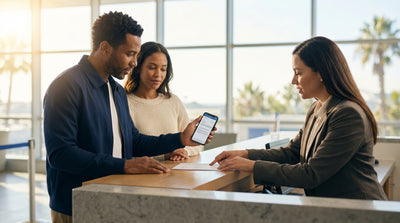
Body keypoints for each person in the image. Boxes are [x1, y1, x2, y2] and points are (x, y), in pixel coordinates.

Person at [43, 11, 214, 222]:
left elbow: (134, 140)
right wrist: (125, 165)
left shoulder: (115, 90)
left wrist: (180, 139)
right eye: (129, 54)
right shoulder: (66, 86)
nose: (134, 62)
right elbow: (61, 155)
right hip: (74, 205)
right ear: (105, 48)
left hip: (112, 199)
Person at [210, 36, 387, 200]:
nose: (293, 81)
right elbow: (292, 153)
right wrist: (246, 154)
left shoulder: (348, 114)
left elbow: (311, 174)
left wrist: (251, 166)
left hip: (359, 211)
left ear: (321, 73)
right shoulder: (316, 108)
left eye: (299, 73)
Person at [124, 41, 203, 161]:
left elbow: (194, 144)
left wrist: (184, 151)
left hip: (176, 175)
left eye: (163, 69)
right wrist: (165, 155)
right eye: (152, 68)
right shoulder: (124, 102)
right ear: (138, 67)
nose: (158, 75)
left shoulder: (173, 101)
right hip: (142, 177)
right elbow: (127, 149)